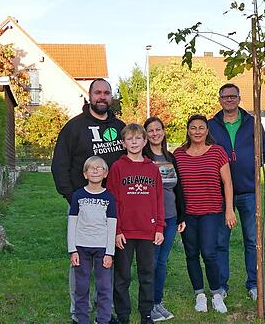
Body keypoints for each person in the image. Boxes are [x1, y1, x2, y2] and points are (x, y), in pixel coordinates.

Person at [52, 78, 126, 324]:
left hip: (113, 206)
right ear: (90, 95)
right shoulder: (74, 127)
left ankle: (106, 311)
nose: (102, 97)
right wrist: (72, 196)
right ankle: (78, 313)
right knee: (80, 262)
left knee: (108, 256)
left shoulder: (120, 127)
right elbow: (60, 164)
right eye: (97, 93)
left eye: (106, 93)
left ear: (111, 96)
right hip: (83, 207)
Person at [208, 84, 265, 301]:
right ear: (220, 99)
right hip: (221, 193)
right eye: (225, 96)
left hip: (248, 191)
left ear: (239, 98)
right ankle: (222, 285)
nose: (229, 100)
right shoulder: (211, 126)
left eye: (233, 96)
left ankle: (253, 283)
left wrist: (248, 168)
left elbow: (264, 152)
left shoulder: (252, 123)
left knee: (252, 240)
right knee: (220, 240)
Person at [174, 114, 237, 314]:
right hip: (187, 214)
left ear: (207, 130)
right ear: (188, 130)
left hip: (212, 211)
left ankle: (217, 293)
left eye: (202, 127)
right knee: (191, 254)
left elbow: (227, 182)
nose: (198, 131)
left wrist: (229, 210)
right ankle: (199, 294)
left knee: (209, 253)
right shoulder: (178, 154)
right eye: (193, 128)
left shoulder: (217, 152)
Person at [106, 123, 165, 324]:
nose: (133, 142)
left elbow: (159, 199)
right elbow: (113, 200)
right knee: (122, 275)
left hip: (147, 231)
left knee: (147, 274)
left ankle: (146, 314)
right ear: (123, 143)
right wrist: (117, 230)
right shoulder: (117, 167)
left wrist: (159, 227)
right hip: (124, 233)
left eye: (137, 138)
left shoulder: (152, 169)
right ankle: (123, 315)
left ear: (145, 141)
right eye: (129, 139)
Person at [142, 117, 186, 322]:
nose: (154, 133)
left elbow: (178, 187)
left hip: (170, 216)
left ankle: (157, 301)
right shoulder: (143, 157)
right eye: (150, 130)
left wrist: (181, 215)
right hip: (152, 219)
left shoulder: (170, 156)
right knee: (151, 261)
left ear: (163, 131)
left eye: (157, 129)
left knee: (162, 261)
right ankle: (148, 304)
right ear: (145, 135)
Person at [68, 156, 117, 324]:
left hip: (102, 249)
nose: (95, 170)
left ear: (105, 173)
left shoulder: (109, 198)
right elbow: (72, 223)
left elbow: (112, 226)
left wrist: (110, 252)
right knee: (81, 287)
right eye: (91, 168)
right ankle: (81, 319)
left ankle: (103, 319)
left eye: (99, 168)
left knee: (104, 287)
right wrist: (72, 249)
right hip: (81, 248)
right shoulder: (78, 196)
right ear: (85, 174)